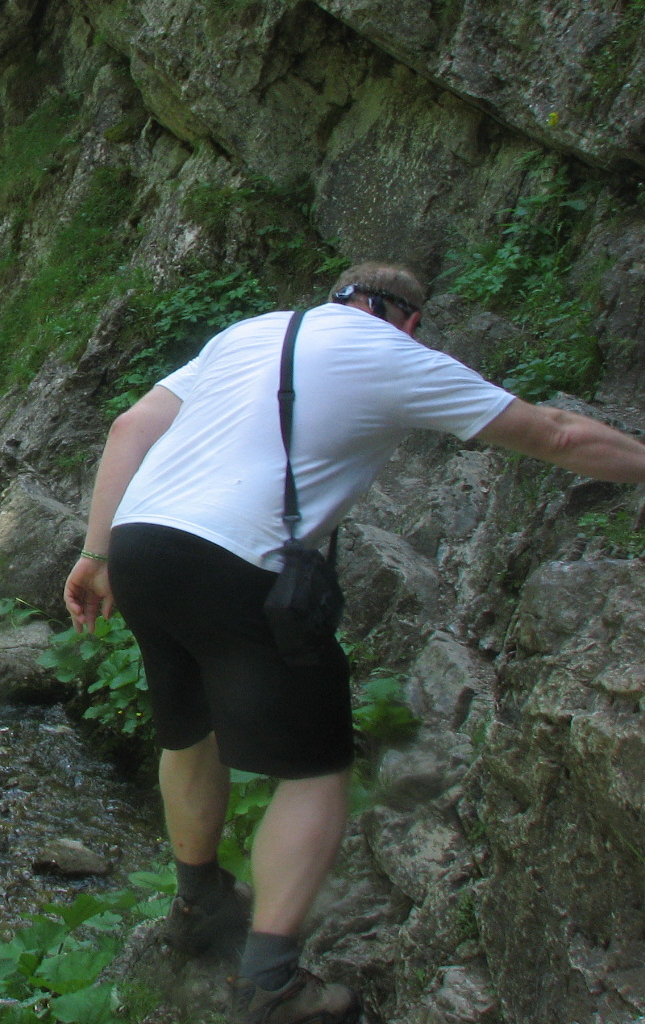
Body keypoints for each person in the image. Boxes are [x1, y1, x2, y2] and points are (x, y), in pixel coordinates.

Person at [62, 263, 645, 1024]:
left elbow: (129, 427)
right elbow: (557, 433)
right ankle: (269, 985)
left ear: (337, 296)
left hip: (142, 543)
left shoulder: (250, 331)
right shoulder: (393, 354)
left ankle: (199, 904)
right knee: (317, 770)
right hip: (238, 557)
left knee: (190, 730)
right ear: (409, 321)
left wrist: (96, 552)